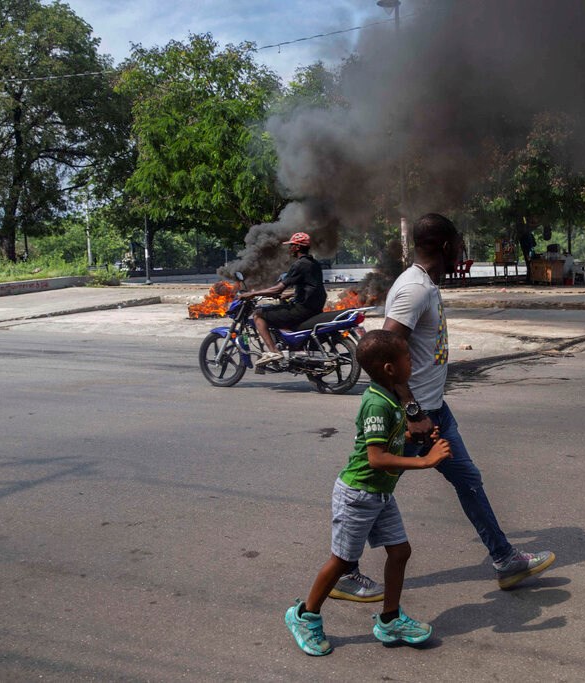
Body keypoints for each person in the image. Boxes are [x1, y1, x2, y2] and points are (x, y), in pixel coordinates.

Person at [332, 213, 555, 601]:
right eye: (460, 244)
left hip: (436, 410)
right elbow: (383, 354)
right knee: (371, 490)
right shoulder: (413, 290)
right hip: (415, 416)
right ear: (449, 246)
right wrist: (413, 413)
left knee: (468, 480)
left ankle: (505, 559)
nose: (463, 251)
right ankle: (343, 571)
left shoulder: (427, 285)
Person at [284, 329, 452, 656]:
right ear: (390, 368)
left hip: (379, 494)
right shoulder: (377, 403)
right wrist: (428, 462)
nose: (412, 361)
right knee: (342, 561)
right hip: (358, 494)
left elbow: (390, 443)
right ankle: (305, 615)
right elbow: (376, 458)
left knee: (400, 552)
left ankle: (389, 620)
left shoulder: (391, 397)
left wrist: (419, 441)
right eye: (407, 357)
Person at [236, 232, 327, 366]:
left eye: (291, 246)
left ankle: (274, 352)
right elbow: (311, 286)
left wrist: (252, 294)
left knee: (258, 315)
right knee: (281, 310)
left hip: (303, 309)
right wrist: (291, 295)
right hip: (315, 307)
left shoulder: (299, 265)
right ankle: (292, 348)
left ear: (297, 247)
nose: (289, 248)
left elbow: (278, 289)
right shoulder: (314, 264)